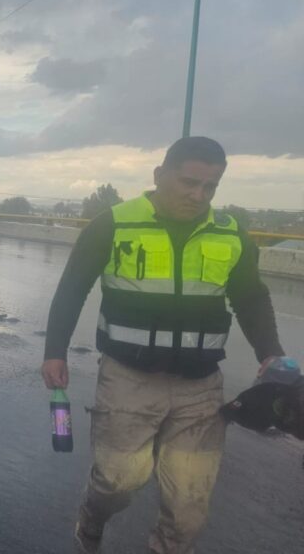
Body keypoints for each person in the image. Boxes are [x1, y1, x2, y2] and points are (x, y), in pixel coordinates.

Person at [40, 136, 285, 554]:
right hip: (128, 378)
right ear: (159, 175)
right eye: (189, 183)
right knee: (118, 481)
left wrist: (271, 352)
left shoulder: (230, 234)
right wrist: (54, 351)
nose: (199, 195)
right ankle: (92, 516)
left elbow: (250, 298)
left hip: (200, 387)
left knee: (189, 507)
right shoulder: (114, 224)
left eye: (210, 187)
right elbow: (72, 289)